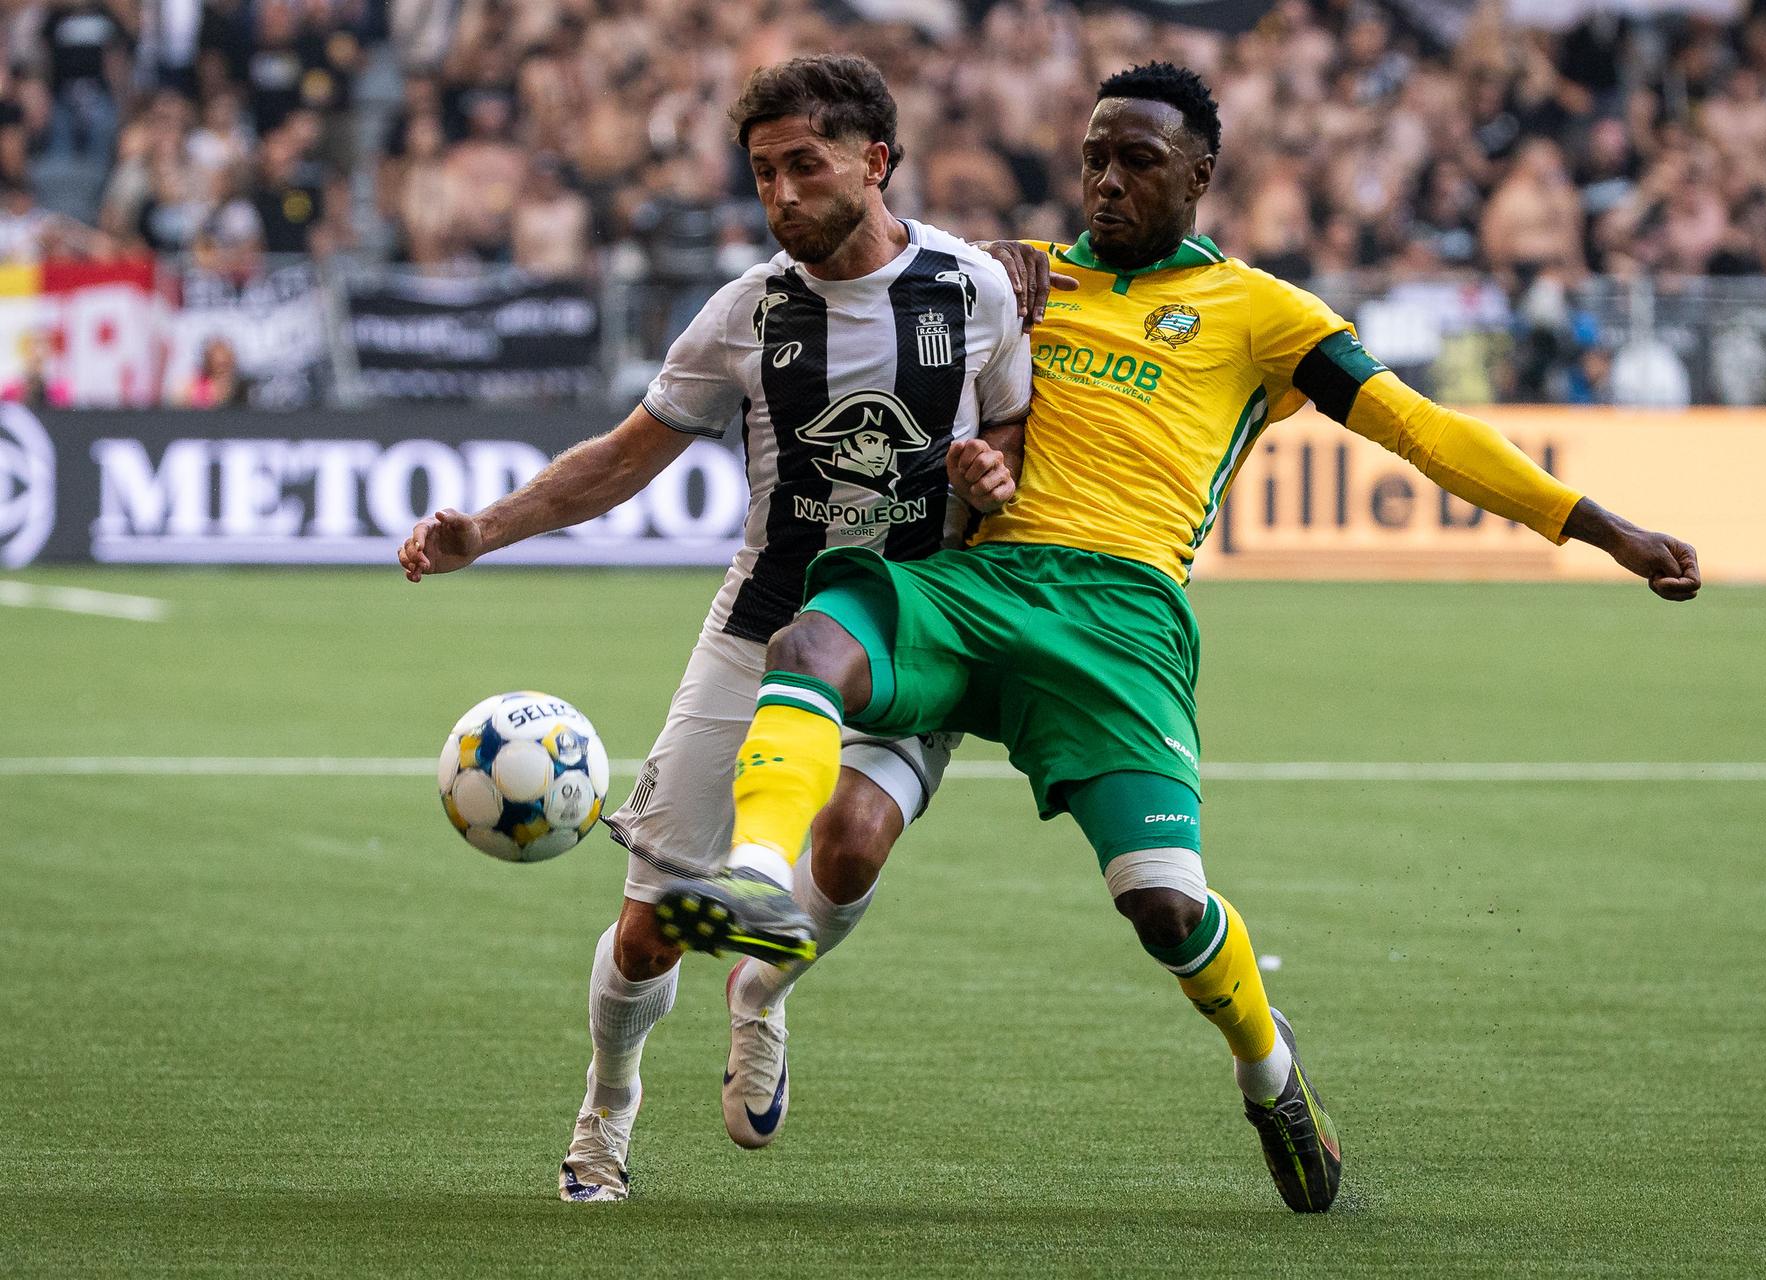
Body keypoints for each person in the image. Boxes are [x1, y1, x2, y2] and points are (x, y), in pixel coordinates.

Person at [657, 62, 1701, 1214]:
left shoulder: (1264, 314)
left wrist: (1600, 527)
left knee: (1165, 907)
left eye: (1138, 161)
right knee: (819, 688)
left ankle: (1271, 1069)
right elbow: (881, 271)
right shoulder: (1013, 279)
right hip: (971, 586)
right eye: (1094, 158)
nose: (1106, 181)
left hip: (1119, 620)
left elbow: (1420, 427)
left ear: (1200, 175)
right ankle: (755, 922)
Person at [396, 53, 1030, 1202]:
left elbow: (1017, 438)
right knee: (648, 932)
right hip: (761, 628)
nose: (780, 194)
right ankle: (608, 1102)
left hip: (911, 630)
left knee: (850, 843)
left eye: (805, 166)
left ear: (876, 160)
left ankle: (761, 990)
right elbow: (621, 460)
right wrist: (483, 530)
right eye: (763, 173)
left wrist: (993, 472)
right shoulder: (748, 312)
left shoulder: (973, 289)